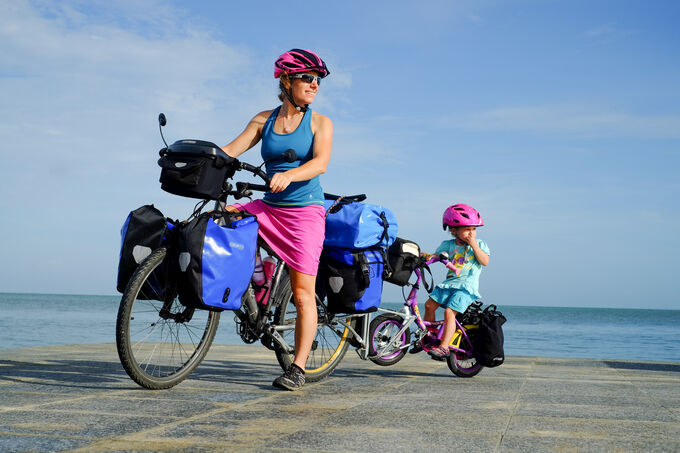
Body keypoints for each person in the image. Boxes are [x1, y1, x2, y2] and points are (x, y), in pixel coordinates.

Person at [220, 49, 333, 390]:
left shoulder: (319, 123)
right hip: (269, 206)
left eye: (317, 80)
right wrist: (197, 156)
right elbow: (229, 151)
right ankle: (260, 275)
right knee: (220, 219)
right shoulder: (263, 120)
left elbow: (320, 164)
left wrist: (292, 174)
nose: (314, 85)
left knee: (302, 295)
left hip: (304, 213)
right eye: (307, 78)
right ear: (286, 81)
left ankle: (297, 367)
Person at [420, 204, 490, 360]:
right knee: (429, 305)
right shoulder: (448, 245)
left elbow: (485, 261)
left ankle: (444, 347)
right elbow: (435, 257)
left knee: (449, 312)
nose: (471, 233)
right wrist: (423, 257)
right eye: (467, 229)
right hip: (449, 284)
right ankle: (429, 337)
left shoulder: (480, 245)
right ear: (453, 230)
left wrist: (474, 244)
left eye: (474, 229)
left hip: (466, 288)